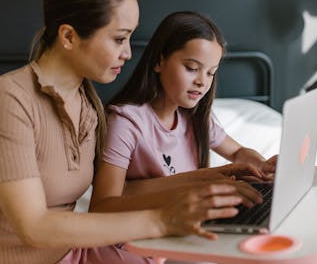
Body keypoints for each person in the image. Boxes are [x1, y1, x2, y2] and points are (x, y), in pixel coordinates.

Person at [0, 0, 244, 264]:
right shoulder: (8, 99)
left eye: (130, 38)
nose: (129, 52)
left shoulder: (87, 105)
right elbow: (35, 228)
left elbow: (120, 195)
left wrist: (210, 180)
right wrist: (161, 219)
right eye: (119, 38)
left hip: (72, 253)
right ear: (69, 36)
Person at [90, 11, 278, 214]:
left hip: (180, 227)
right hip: (135, 237)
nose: (202, 81)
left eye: (210, 73)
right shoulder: (126, 122)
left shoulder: (195, 118)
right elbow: (104, 205)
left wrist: (262, 166)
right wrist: (201, 182)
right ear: (159, 61)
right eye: (191, 68)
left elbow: (236, 152)